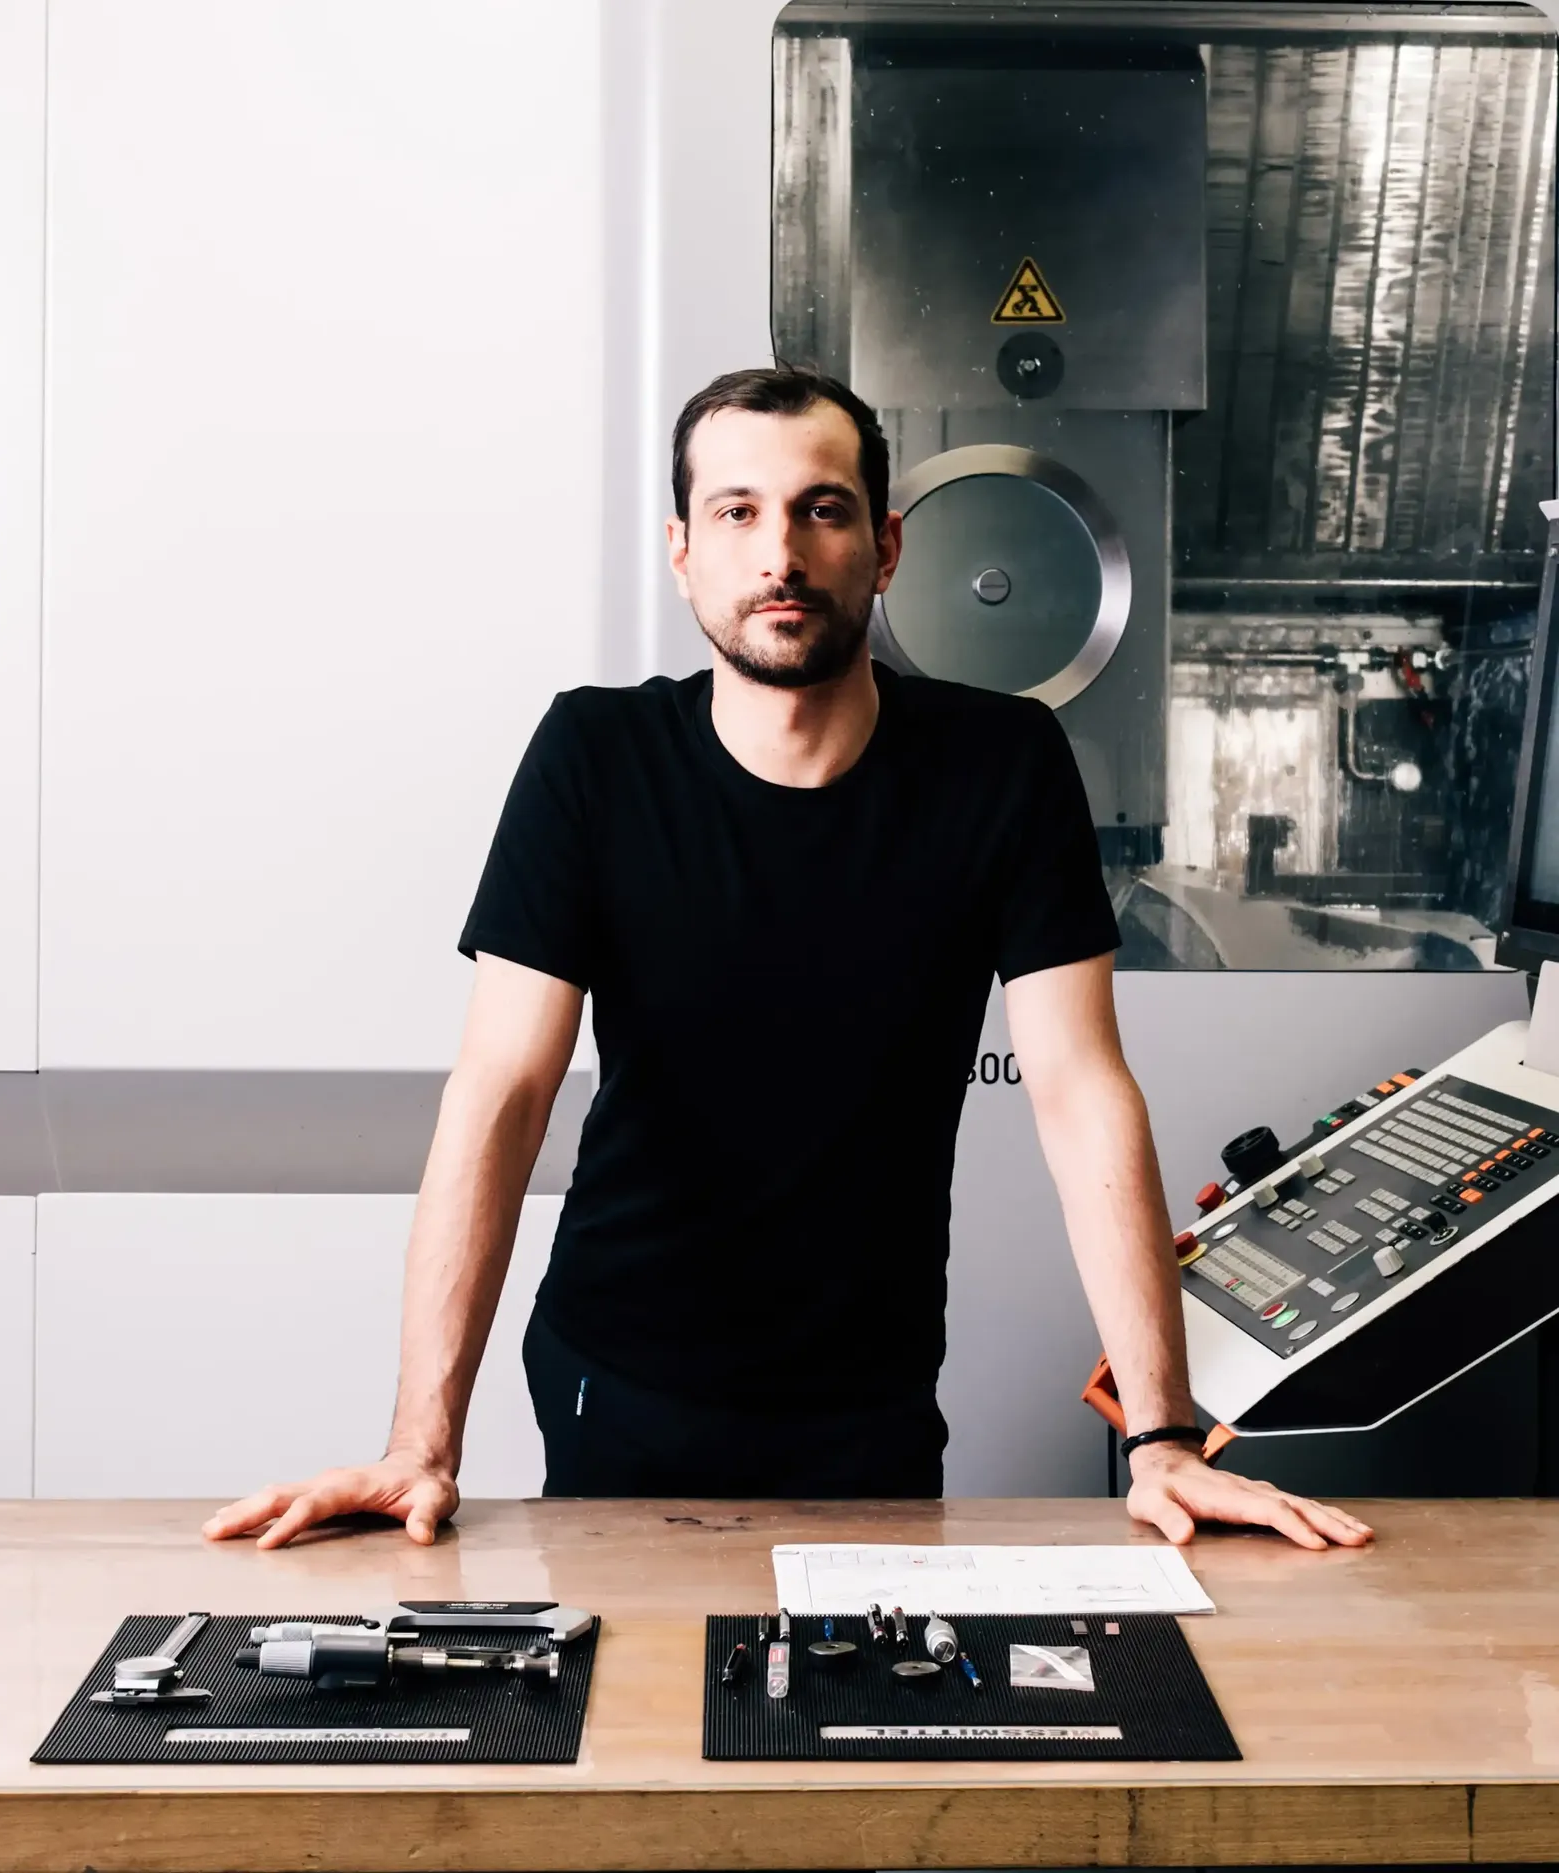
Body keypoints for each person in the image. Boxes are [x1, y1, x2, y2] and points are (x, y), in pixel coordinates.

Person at [205, 367, 1372, 1554]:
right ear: (682, 548)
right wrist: (420, 1443)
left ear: (886, 544)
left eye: (822, 508)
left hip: (869, 1396)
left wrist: (1162, 1437)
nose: (781, 552)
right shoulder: (593, 758)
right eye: (737, 511)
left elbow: (1079, 1088)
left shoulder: (1000, 766)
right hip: (620, 1371)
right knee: (633, 1718)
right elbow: (500, 1093)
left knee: (858, 1722)